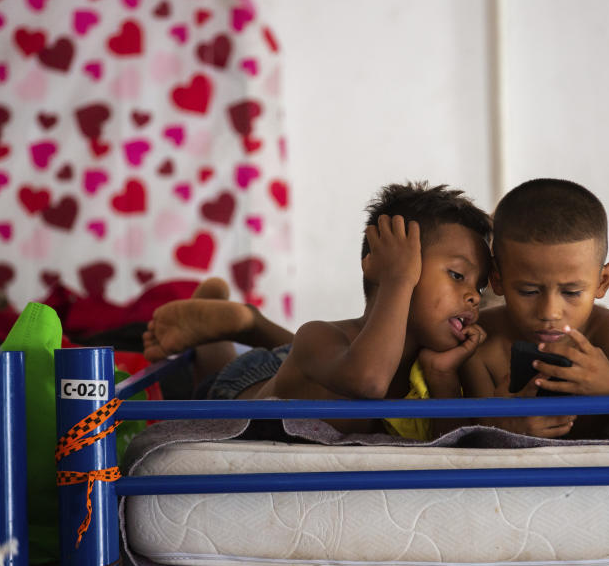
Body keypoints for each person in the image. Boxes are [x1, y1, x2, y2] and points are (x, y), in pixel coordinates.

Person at [143, 181, 493, 439]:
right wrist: (397, 279)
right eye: (457, 275)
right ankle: (234, 322)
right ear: (379, 265)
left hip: (316, 366)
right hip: (249, 385)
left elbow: (447, 450)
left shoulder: (436, 365)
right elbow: (368, 381)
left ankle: (250, 322)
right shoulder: (320, 334)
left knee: (307, 362)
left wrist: (442, 379)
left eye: (478, 286)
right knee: (216, 369)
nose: (474, 296)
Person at [461, 178, 609, 440]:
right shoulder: (479, 342)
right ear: (496, 278)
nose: (550, 312)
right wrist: (507, 431)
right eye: (529, 291)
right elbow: (467, 447)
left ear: (603, 281)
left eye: (571, 292)